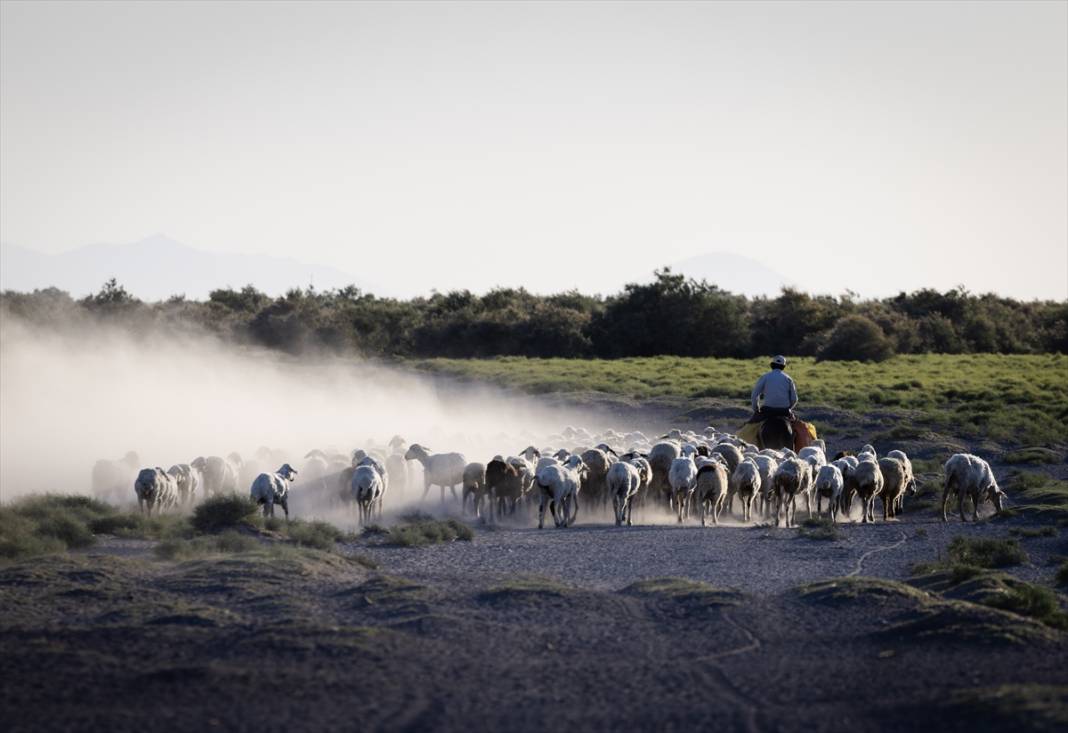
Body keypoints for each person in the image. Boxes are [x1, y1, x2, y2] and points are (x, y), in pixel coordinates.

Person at [749, 355, 798, 422]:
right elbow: (794, 399)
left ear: (772, 365)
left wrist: (757, 410)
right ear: (783, 367)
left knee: (750, 427)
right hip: (784, 411)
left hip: (767, 411)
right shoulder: (788, 379)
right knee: (797, 427)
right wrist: (788, 409)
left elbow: (754, 395)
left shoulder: (765, 377)